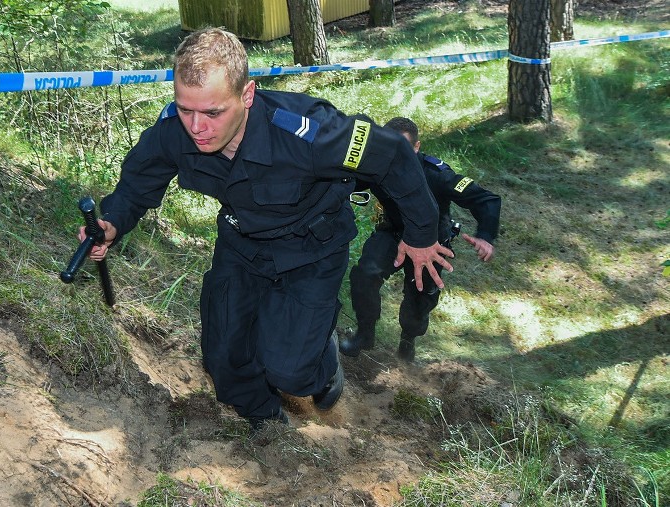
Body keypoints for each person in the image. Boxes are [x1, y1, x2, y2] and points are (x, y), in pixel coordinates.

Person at [79, 29, 453, 431]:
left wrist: (420, 235)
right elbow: (139, 180)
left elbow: (393, 153)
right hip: (242, 246)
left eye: (212, 113)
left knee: (292, 373)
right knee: (223, 360)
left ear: (247, 95)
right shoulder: (176, 130)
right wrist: (112, 221)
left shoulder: (309, 133)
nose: (196, 126)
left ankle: (322, 361)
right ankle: (266, 421)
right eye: (185, 109)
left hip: (313, 250)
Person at [341, 117, 501, 362]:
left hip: (431, 244)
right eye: (388, 146)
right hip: (393, 234)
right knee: (364, 274)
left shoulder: (436, 174)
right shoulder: (376, 167)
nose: (394, 154)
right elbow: (342, 182)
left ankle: (408, 340)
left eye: (402, 148)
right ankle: (365, 334)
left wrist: (486, 236)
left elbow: (485, 199)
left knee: (419, 296)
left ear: (416, 147)